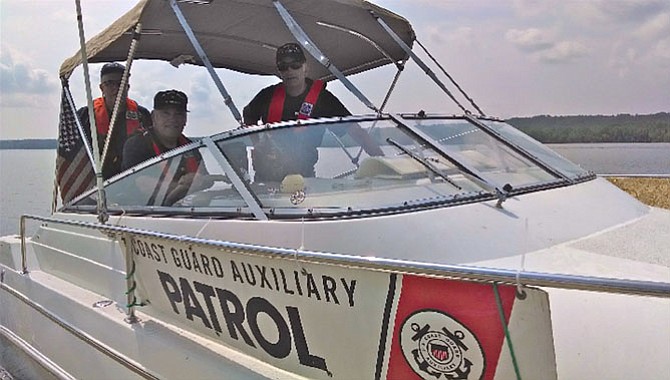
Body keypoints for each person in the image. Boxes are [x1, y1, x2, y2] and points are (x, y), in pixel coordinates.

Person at [243, 42, 382, 182]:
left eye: (295, 65)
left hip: (303, 179)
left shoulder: (324, 100)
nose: (289, 70)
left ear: (305, 68)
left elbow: (357, 132)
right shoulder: (267, 96)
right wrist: (257, 143)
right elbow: (248, 114)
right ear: (279, 71)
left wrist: (383, 162)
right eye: (283, 67)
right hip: (267, 179)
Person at [122, 90, 212, 206]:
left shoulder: (189, 145)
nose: (173, 119)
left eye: (179, 114)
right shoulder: (136, 144)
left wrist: (200, 180)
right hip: (144, 213)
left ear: (185, 119)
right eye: (166, 113)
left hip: (185, 211)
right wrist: (186, 185)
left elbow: (206, 179)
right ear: (153, 117)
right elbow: (142, 184)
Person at [77, 62, 151, 179]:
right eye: (109, 83)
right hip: (97, 183)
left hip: (134, 180)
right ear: (102, 88)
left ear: (127, 87)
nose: (116, 88)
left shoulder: (142, 115)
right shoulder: (85, 116)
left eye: (121, 83)